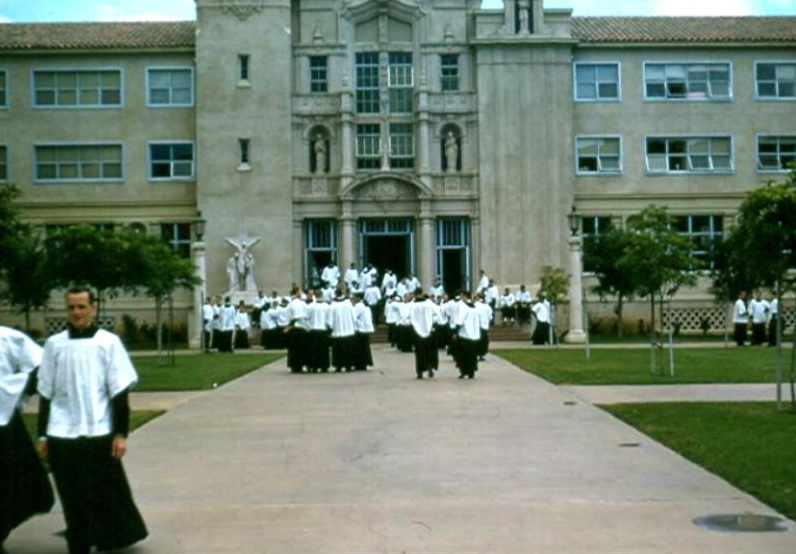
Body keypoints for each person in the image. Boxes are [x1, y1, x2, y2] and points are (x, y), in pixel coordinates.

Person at [37, 287, 148, 554]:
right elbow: (45, 393)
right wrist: (42, 435)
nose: (76, 312)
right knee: (70, 493)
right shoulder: (54, 345)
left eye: (81, 307)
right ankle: (78, 542)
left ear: (93, 308)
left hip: (98, 429)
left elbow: (119, 392)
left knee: (101, 492)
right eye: (71, 307)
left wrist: (121, 434)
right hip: (62, 432)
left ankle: (108, 536)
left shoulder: (108, 343)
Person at [0, 326, 54, 549]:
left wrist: (18, 388)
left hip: (4, 422)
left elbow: (42, 365)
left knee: (14, 481)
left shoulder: (6, 337)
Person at [409, 289, 441, 379]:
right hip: (429, 330)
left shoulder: (411, 305)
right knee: (429, 350)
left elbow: (405, 317)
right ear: (422, 294)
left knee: (419, 352)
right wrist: (432, 321)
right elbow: (438, 313)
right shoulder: (429, 303)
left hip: (416, 331)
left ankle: (419, 372)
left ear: (415, 295)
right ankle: (430, 367)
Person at [326, 288, 357, 372]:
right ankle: (349, 365)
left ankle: (338, 366)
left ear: (336, 294)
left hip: (337, 331)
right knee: (348, 349)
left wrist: (330, 327)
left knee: (338, 350)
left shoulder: (332, 305)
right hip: (348, 330)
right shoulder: (348, 304)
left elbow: (330, 320)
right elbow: (354, 317)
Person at [452, 291, 481, 379]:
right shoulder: (475, 308)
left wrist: (455, 332)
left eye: (461, 296)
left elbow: (460, 320)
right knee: (472, 355)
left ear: (465, 297)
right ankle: (471, 371)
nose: (460, 298)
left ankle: (464, 371)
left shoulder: (463, 307)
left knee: (463, 355)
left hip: (465, 334)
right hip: (474, 335)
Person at [284, 286, 309, 373]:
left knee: (293, 349)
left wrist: (288, 327)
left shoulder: (290, 304)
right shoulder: (299, 303)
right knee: (299, 349)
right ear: (297, 292)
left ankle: (294, 366)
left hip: (294, 328)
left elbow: (289, 317)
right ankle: (299, 365)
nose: (301, 293)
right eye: (300, 291)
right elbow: (298, 317)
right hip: (298, 327)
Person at [305, 289, 331, 373]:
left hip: (313, 330)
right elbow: (329, 320)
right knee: (323, 350)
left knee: (313, 350)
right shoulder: (327, 306)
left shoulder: (310, 306)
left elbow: (306, 318)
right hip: (323, 330)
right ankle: (324, 366)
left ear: (314, 295)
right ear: (322, 295)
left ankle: (313, 366)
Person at [352, 293, 375, 371]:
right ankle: (362, 364)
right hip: (364, 330)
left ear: (358, 298)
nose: (353, 299)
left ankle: (360, 364)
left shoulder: (359, 306)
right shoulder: (364, 306)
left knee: (359, 349)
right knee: (363, 348)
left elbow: (354, 316)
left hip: (360, 329)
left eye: (354, 297)